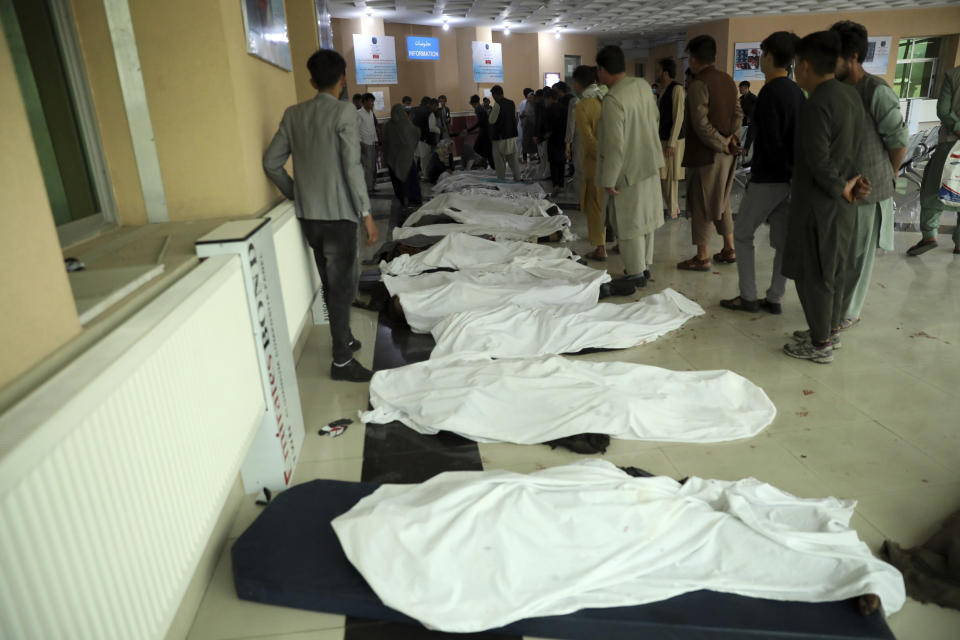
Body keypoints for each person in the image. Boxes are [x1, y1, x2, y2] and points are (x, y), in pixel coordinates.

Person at [263, 49, 378, 382]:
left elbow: (271, 163)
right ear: (343, 80)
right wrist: (366, 214)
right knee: (342, 287)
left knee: (331, 284)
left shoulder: (293, 114)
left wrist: (297, 193)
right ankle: (341, 360)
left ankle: (344, 338)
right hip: (339, 216)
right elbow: (352, 167)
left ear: (311, 81)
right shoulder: (344, 113)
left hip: (310, 217)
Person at [781, 31, 871, 364]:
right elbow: (858, 148)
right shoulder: (850, 96)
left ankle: (819, 344)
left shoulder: (816, 103)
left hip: (819, 205)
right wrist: (854, 184)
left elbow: (818, 160)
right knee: (835, 270)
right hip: (845, 205)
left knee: (813, 273)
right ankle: (829, 329)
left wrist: (839, 187)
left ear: (803, 65)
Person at [720, 32, 805, 315]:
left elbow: (770, 141)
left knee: (742, 234)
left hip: (768, 178)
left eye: (761, 55)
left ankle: (747, 296)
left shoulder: (770, 91)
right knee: (781, 241)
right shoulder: (796, 92)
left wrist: (754, 172)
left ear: (769, 56)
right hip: (791, 179)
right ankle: (775, 298)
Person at [832, 21, 909, 328]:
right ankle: (836, 304)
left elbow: (898, 141)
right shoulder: (836, 90)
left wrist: (887, 174)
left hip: (868, 191)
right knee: (839, 255)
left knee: (857, 259)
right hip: (841, 188)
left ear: (852, 56)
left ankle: (848, 313)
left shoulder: (876, 92)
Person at [596, 45, 665, 287]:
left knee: (629, 222)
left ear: (603, 71)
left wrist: (609, 180)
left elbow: (615, 145)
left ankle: (635, 273)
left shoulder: (613, 99)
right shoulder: (643, 86)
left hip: (627, 170)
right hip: (650, 162)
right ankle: (644, 266)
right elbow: (655, 119)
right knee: (646, 219)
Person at [678, 35, 743, 271]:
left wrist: (721, 143)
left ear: (694, 59)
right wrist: (731, 139)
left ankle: (702, 256)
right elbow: (738, 113)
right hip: (728, 154)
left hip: (707, 155)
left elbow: (701, 124)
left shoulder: (698, 84)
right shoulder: (727, 80)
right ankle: (729, 247)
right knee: (721, 200)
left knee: (702, 202)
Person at [906, 64, 960, 256]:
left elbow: (943, 109)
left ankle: (929, 235)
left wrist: (957, 126)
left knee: (932, 188)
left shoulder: (954, 75)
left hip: (950, 143)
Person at [572, 65, 608, 261]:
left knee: (595, 206)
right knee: (612, 206)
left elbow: (588, 140)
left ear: (577, 83)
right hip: (617, 161)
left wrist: (603, 157)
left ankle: (600, 248)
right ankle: (619, 242)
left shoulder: (584, 106)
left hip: (596, 165)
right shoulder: (607, 98)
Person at [656, 57, 686, 219]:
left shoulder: (677, 89)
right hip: (663, 139)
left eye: (658, 70)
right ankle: (672, 208)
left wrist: (672, 143)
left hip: (673, 141)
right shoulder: (664, 90)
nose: (656, 73)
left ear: (665, 73)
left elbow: (679, 117)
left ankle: (673, 210)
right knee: (663, 176)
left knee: (671, 177)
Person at [382, 104, 423, 209]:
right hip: (406, 159)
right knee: (411, 180)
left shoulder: (387, 126)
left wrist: (385, 157)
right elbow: (416, 134)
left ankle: (402, 199)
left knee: (397, 182)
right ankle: (414, 199)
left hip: (393, 159)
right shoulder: (406, 124)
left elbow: (384, 143)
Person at [488, 85, 522, 181]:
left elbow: (491, 120)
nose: (493, 97)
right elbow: (513, 118)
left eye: (493, 95)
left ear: (495, 94)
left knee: (499, 160)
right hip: (511, 136)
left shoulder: (497, 104)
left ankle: (501, 179)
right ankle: (518, 177)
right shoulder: (511, 103)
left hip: (499, 137)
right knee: (513, 159)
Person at [541, 88, 567, 194]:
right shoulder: (564, 108)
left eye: (546, 99)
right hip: (563, 139)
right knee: (561, 162)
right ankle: (561, 185)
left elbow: (550, 126)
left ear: (550, 98)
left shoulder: (550, 109)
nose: (545, 102)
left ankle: (555, 185)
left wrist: (544, 135)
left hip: (553, 139)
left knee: (553, 163)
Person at [411, 96, 440, 177]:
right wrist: (440, 130)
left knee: (415, 158)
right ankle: (426, 176)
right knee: (425, 160)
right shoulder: (429, 113)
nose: (436, 108)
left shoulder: (414, 110)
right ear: (430, 104)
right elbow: (432, 128)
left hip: (414, 138)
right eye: (436, 106)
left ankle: (413, 176)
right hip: (425, 139)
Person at [356, 92, 379, 193]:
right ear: (364, 102)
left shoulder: (370, 113)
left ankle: (371, 187)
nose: (372, 104)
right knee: (367, 167)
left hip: (372, 143)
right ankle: (367, 189)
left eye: (373, 102)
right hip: (365, 144)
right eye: (370, 101)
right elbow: (355, 130)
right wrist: (361, 144)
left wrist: (377, 141)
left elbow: (373, 128)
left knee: (373, 167)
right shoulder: (358, 114)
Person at [466, 94, 494, 168]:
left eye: (472, 104)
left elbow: (480, 122)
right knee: (485, 150)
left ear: (474, 103)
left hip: (485, 133)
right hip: (485, 132)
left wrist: (468, 130)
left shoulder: (479, 109)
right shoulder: (479, 108)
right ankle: (486, 162)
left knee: (479, 148)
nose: (472, 106)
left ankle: (486, 162)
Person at [518, 88, 533, 162]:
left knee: (527, 142)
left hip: (528, 125)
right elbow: (521, 115)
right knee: (524, 142)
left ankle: (528, 156)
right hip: (524, 125)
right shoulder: (524, 103)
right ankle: (523, 157)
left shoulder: (531, 103)